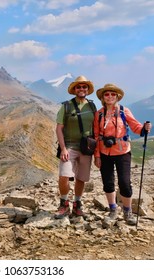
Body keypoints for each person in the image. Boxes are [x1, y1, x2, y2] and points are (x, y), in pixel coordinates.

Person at [93, 83, 151, 225]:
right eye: (107, 94)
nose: (110, 96)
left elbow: (135, 126)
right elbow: (95, 135)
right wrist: (97, 155)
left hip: (123, 151)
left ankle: (127, 211)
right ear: (103, 97)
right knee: (108, 183)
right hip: (104, 152)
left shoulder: (124, 111)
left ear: (117, 97)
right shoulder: (99, 114)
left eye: (113, 94)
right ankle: (113, 210)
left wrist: (144, 128)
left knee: (125, 183)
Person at [55, 75, 97, 219]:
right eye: (79, 87)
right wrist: (63, 148)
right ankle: (64, 203)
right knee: (64, 175)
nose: (81, 89)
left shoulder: (92, 106)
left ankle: (77, 204)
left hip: (87, 147)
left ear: (87, 89)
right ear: (74, 89)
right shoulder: (66, 106)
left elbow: (96, 127)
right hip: (70, 146)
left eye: (84, 86)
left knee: (81, 177)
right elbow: (59, 128)